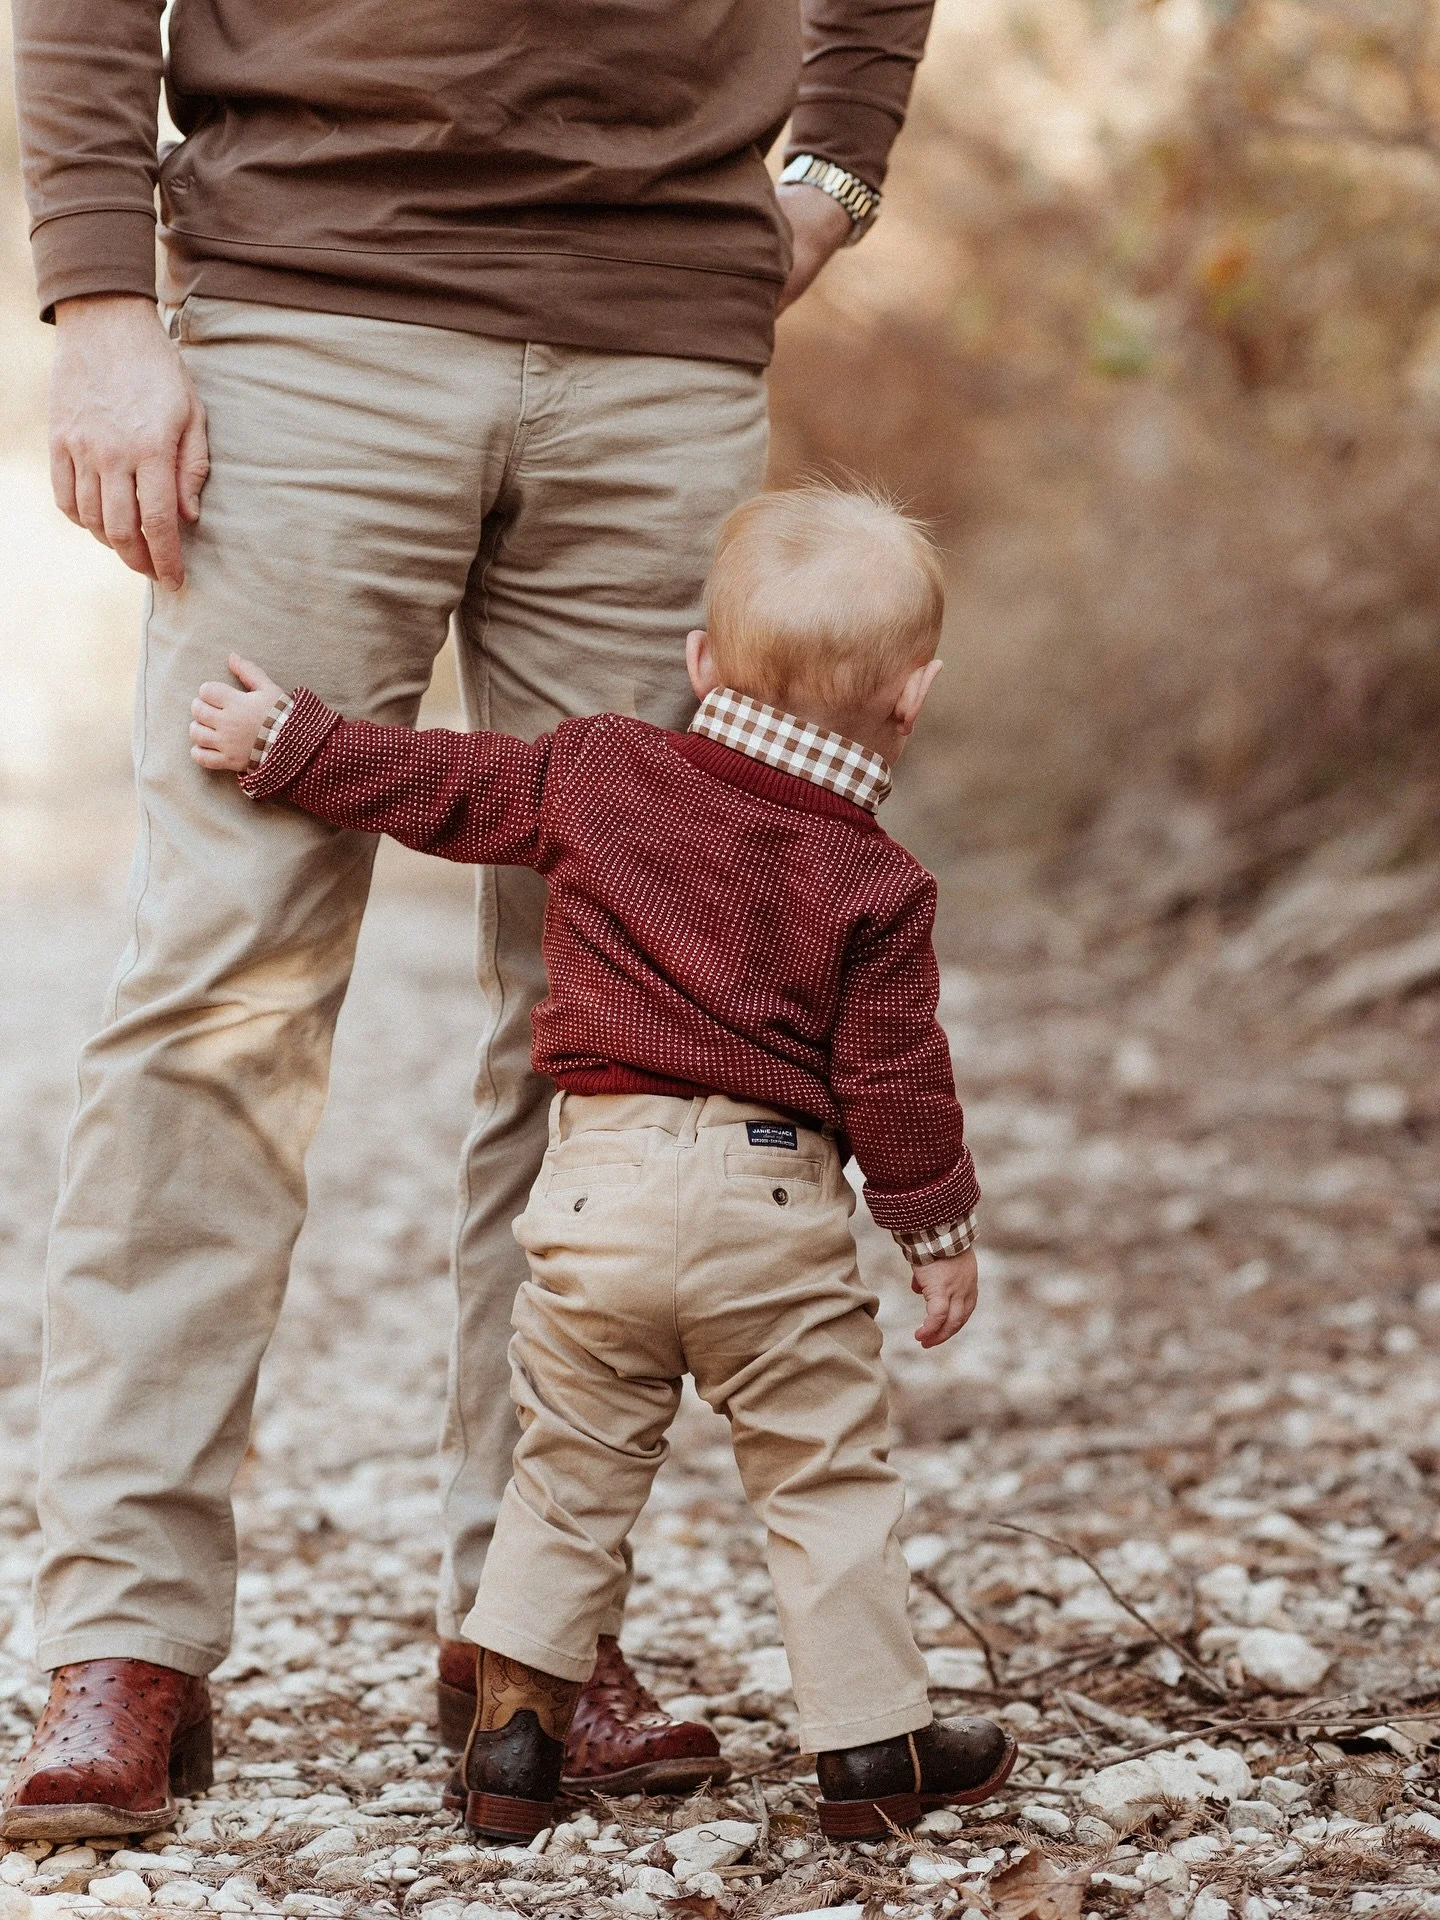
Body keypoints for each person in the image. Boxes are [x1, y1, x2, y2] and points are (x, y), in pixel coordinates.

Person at [4, 0, 941, 1840]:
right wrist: (103, 301)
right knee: (219, 989)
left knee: (633, 1031)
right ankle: (123, 1636)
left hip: (665, 338)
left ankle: (527, 1639)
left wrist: (834, 162)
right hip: (307, 313)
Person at [179, 485, 1015, 1843]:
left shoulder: (603, 766)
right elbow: (895, 1079)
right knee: (821, 1479)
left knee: (567, 1474)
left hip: (597, 1189)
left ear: (700, 662)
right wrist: (936, 1228)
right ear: (911, 700)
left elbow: (440, 788)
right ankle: (873, 1754)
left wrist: (292, 743)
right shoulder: (880, 881)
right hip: (769, 1203)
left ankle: (515, 1746)